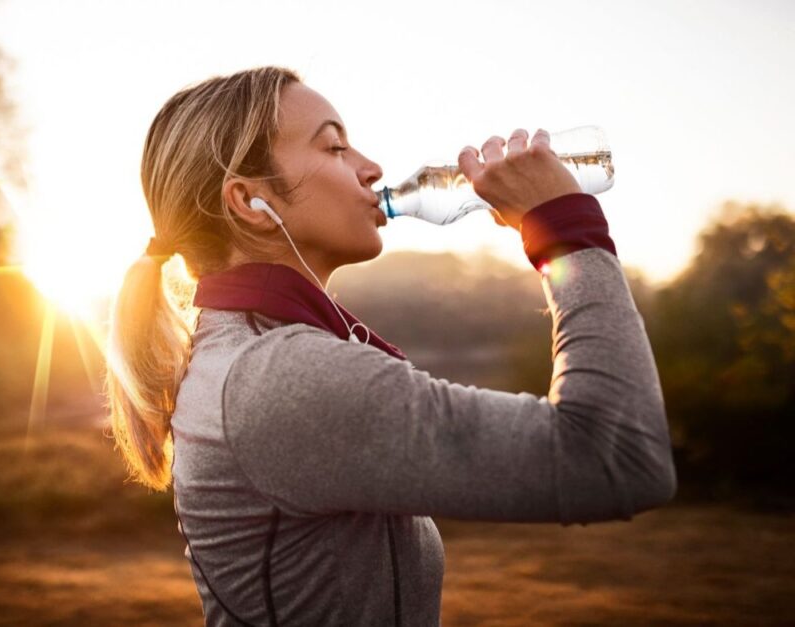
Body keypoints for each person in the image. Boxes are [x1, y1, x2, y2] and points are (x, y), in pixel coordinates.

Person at [105, 66, 677, 627]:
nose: (371, 168)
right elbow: (618, 456)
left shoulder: (253, 353)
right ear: (251, 203)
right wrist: (564, 227)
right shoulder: (280, 375)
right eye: (334, 148)